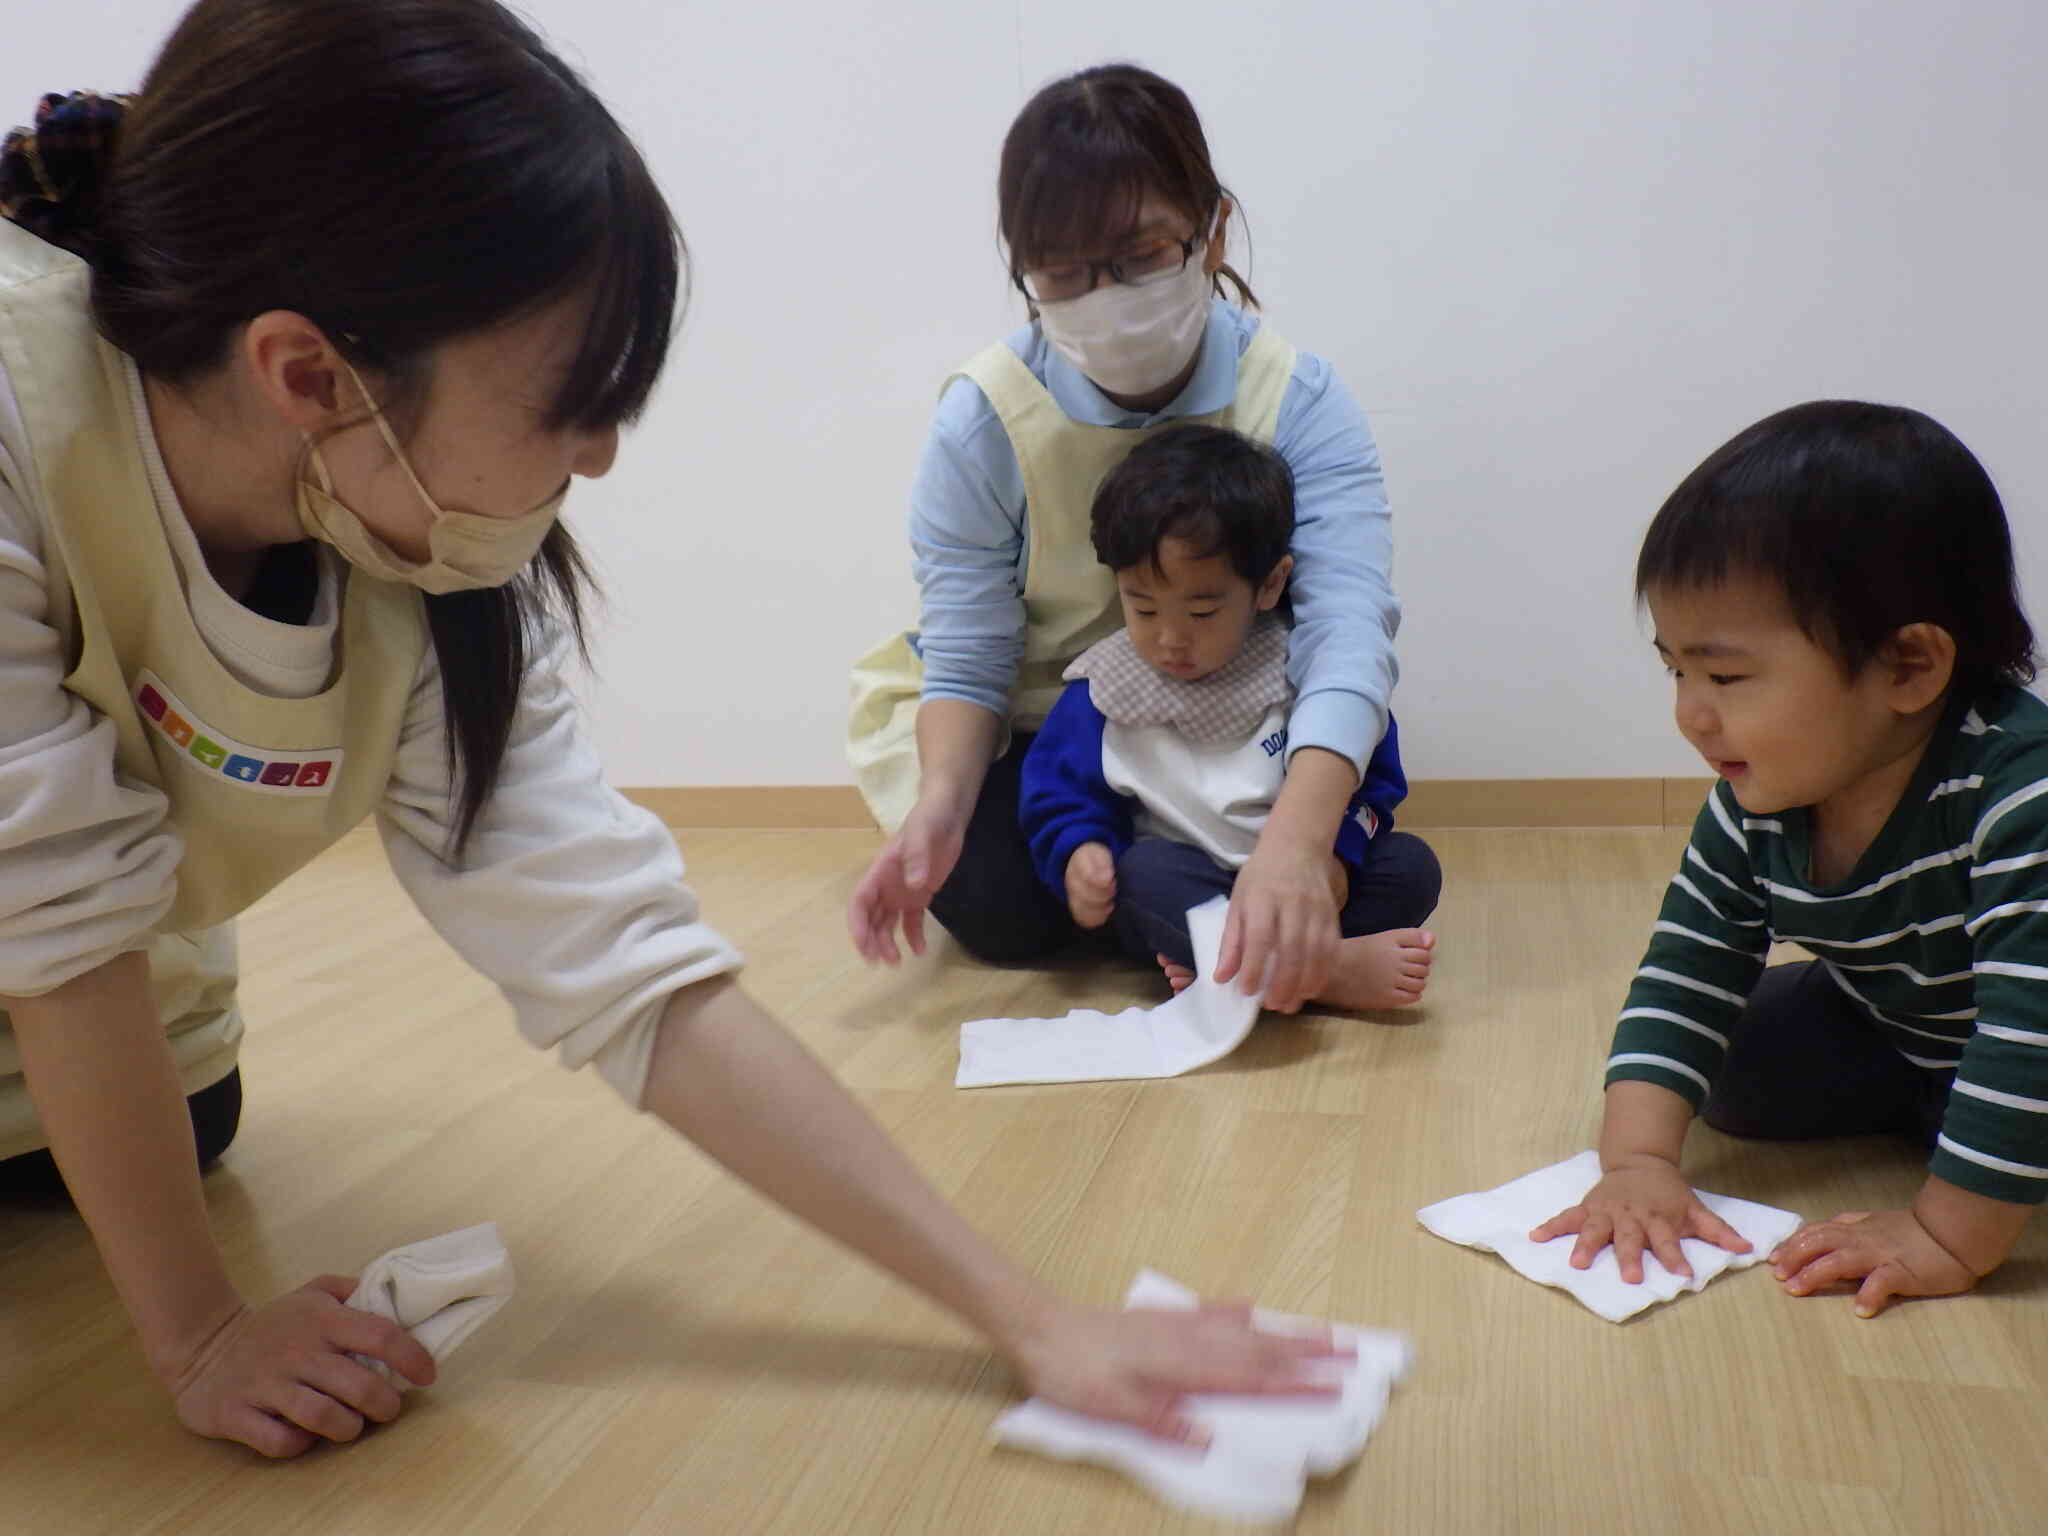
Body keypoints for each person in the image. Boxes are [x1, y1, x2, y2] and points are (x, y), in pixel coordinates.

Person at [0, 0, 1344, 1462]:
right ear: (311, 375)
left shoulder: (417, 554)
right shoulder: (27, 419)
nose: (597, 454)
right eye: (571, 402)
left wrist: (1030, 1319)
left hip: (133, 1003)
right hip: (58, 962)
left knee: (171, 1127)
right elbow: (57, 915)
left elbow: (629, 966)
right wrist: (201, 1333)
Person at [847, 63, 1420, 1013]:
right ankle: (1236, 923)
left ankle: (1200, 919)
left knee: (1357, 851)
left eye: (1142, 255)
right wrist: (939, 807)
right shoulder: (985, 419)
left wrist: (1297, 840)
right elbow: (968, 651)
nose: (1105, 297)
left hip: (1241, 729)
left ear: (1213, 231)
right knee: (994, 905)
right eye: (1063, 272)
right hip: (1058, 735)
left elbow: (1348, 631)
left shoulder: (1297, 400)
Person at [1531, 401, 2046, 1317]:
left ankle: (1977, 1143)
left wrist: (1945, 1236)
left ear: (1909, 668)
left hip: (2025, 1026)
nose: (1691, 713)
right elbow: (1685, 970)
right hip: (1911, 1023)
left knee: (2018, 1078)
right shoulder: (1757, 799)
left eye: (1726, 677)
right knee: (1734, 1060)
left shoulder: (2019, 790)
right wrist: (1637, 1164)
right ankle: (1952, 1115)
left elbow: (2029, 1031)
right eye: (1676, 670)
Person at [1017, 424, 1437, 1008]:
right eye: (1143, 608)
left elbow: (1374, 782)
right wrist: (1078, 852)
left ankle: (1233, 978)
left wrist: (1336, 859)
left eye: (1201, 611)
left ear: (1269, 585)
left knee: (1411, 867)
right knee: (1144, 875)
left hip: (1304, 887)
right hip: (1191, 889)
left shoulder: (1303, 670)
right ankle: (1326, 974)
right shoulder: (1104, 692)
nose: (1170, 639)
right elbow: (1057, 793)